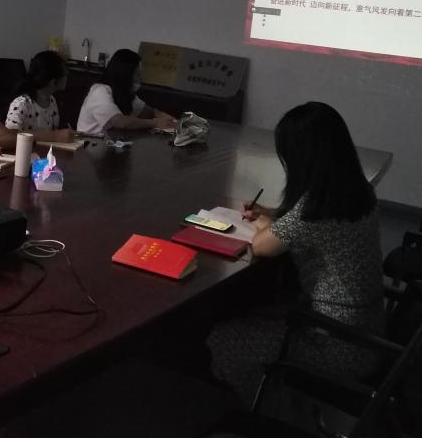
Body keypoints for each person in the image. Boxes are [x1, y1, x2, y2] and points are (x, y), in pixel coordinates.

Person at [207, 101, 384, 406]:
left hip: (335, 344)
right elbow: (302, 225)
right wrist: (270, 214)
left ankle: (269, 412)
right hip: (368, 332)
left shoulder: (314, 209)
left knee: (222, 339)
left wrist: (263, 222)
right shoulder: (355, 191)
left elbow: (261, 246)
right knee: (261, 310)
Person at [76, 48, 176, 135]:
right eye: (136, 74)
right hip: (88, 145)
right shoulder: (99, 91)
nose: (140, 78)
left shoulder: (124, 93)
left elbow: (147, 111)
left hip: (110, 144)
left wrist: (167, 118)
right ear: (125, 74)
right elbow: (120, 122)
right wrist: (155, 123)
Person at [4, 50, 76, 143]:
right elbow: (11, 135)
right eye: (64, 74)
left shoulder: (52, 100)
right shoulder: (21, 104)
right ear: (52, 81)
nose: (67, 77)